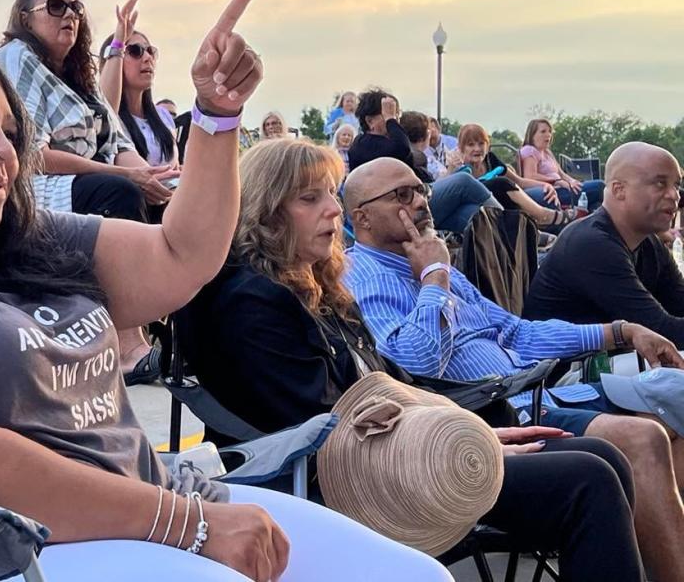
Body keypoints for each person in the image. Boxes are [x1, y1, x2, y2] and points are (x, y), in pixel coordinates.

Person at [0, 0, 451, 582]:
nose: (3, 148)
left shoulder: (23, 240)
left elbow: (184, 253)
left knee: (415, 575)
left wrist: (214, 117)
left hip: (149, 510)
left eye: (11, 131)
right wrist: (191, 526)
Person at [188, 138, 642, 581]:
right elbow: (322, 423)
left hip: (397, 448)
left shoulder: (316, 285)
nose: (333, 209)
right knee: (588, 480)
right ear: (267, 213)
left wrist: (475, 431)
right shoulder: (254, 303)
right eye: (311, 198)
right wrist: (459, 438)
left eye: (331, 193)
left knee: (603, 456)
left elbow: (393, 382)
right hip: (354, 481)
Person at [343, 156, 684, 580]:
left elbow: (516, 333)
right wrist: (433, 276)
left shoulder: (435, 263)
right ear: (363, 218)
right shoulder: (367, 276)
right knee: (644, 435)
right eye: (402, 195)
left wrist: (620, 332)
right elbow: (415, 362)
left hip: (529, 393)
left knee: (667, 421)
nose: (421, 202)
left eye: (421, 190)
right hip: (479, 415)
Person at [0, 0, 174, 382]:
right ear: (25, 17)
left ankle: (192, 338)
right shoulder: (18, 59)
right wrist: (127, 177)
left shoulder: (80, 79)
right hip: (34, 190)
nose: (69, 15)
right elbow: (31, 155)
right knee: (118, 191)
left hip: (85, 183)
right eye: (55, 6)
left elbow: (120, 147)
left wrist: (158, 176)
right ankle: (128, 345)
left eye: (75, 7)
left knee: (177, 200)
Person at [525, 142, 684, 346]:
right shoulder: (592, 244)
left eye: (676, 185)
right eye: (660, 183)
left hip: (607, 362)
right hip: (563, 370)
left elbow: (678, 304)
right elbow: (662, 331)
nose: (674, 195)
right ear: (619, 190)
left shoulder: (649, 242)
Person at [347, 91, 500, 233]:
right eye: (388, 113)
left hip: (416, 200)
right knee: (464, 181)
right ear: (370, 120)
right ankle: (511, 223)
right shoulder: (363, 145)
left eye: (395, 113)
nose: (395, 119)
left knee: (475, 215)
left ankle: (507, 241)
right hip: (400, 208)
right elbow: (401, 149)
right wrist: (391, 120)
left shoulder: (384, 143)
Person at [456, 123, 572, 230]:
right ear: (461, 148)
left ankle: (560, 235)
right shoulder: (459, 167)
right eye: (470, 145)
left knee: (545, 194)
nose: (477, 149)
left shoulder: (490, 160)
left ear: (487, 145)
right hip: (477, 205)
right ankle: (543, 216)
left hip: (501, 203)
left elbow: (518, 181)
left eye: (481, 143)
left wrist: (546, 185)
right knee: (500, 183)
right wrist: (452, 169)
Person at [98, 30, 178, 167]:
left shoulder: (164, 116)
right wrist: (117, 45)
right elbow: (106, 110)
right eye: (136, 51)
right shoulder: (105, 120)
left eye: (150, 51)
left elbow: (175, 165)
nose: (147, 58)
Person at [519, 118, 604, 210]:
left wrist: (572, 181)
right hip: (553, 191)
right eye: (543, 131)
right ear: (532, 135)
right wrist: (556, 181)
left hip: (564, 188)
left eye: (550, 131)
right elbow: (530, 176)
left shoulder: (547, 153)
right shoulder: (529, 150)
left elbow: (561, 173)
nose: (548, 135)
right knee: (600, 187)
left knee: (596, 204)